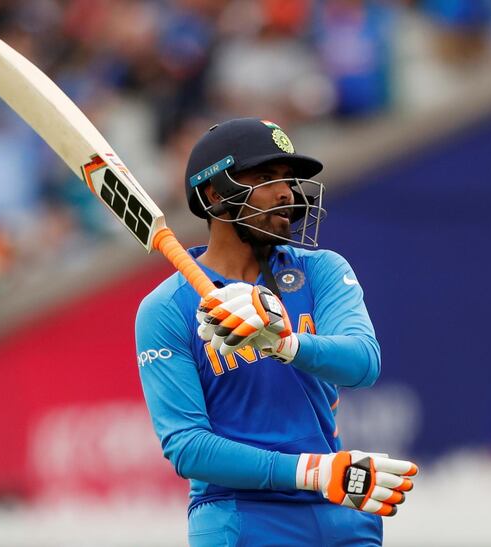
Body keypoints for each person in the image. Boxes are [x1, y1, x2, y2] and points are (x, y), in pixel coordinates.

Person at [135, 118, 418, 546]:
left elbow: (363, 362)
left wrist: (283, 343)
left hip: (339, 507)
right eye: (265, 179)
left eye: (287, 180)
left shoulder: (320, 269)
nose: (286, 192)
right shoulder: (165, 308)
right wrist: (311, 471)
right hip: (241, 514)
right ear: (215, 194)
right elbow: (188, 447)